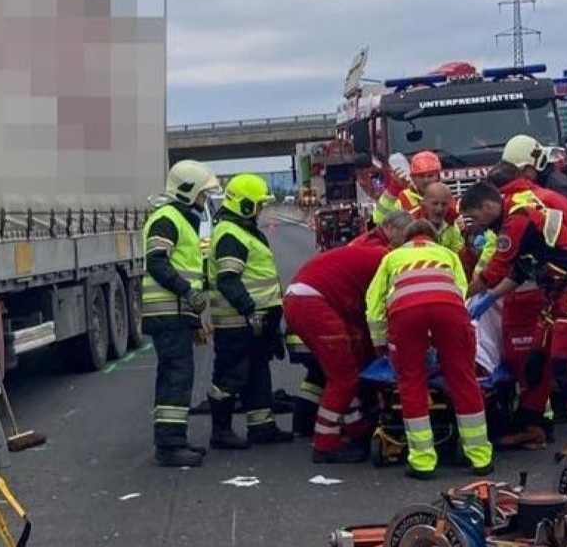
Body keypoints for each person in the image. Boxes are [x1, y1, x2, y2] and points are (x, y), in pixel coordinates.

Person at [461, 179, 567, 447]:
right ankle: (531, 424)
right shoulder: (520, 213)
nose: (478, 225)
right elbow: (519, 271)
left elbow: (496, 270)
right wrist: (490, 298)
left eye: (476, 217)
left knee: (564, 360)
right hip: (557, 291)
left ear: (488, 206)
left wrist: (460, 295)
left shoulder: (516, 220)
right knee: (536, 360)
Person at [366, 218, 494, 479]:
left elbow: (374, 305)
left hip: (405, 314)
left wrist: (380, 344)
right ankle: (480, 457)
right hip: (449, 312)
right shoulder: (447, 254)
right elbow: (460, 293)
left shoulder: (392, 258)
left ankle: (422, 462)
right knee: (463, 379)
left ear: (407, 239)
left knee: (412, 382)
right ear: (433, 238)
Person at [284, 210, 411, 463]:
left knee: (346, 369)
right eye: (405, 237)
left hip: (307, 298)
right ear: (392, 230)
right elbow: (383, 308)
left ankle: (356, 426)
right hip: (314, 303)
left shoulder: (369, 247)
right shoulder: (384, 258)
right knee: (344, 377)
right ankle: (325, 443)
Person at [140, 160, 221, 467]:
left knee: (178, 376)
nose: (204, 199)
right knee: (175, 377)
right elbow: (157, 262)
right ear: (187, 191)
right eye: (202, 193)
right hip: (168, 313)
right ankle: (169, 445)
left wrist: (193, 318)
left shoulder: (180, 219)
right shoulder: (167, 219)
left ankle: (175, 439)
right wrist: (187, 292)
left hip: (176, 314)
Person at [207, 173, 293, 448]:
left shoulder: (243, 231)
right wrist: (250, 310)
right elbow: (228, 279)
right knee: (230, 377)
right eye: (258, 205)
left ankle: (262, 427)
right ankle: (221, 432)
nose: (261, 210)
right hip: (239, 323)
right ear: (244, 205)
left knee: (258, 372)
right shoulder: (230, 235)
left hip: (255, 322)